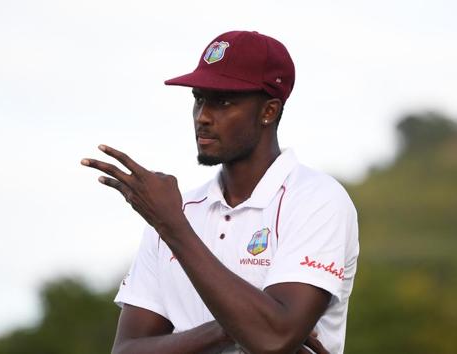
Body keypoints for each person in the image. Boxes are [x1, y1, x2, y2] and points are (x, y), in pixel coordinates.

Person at [81, 30, 359, 354]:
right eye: (199, 99)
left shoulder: (317, 199)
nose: (203, 117)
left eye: (223, 102)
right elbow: (126, 350)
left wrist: (173, 227)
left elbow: (274, 339)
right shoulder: (175, 210)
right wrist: (227, 329)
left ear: (269, 111)